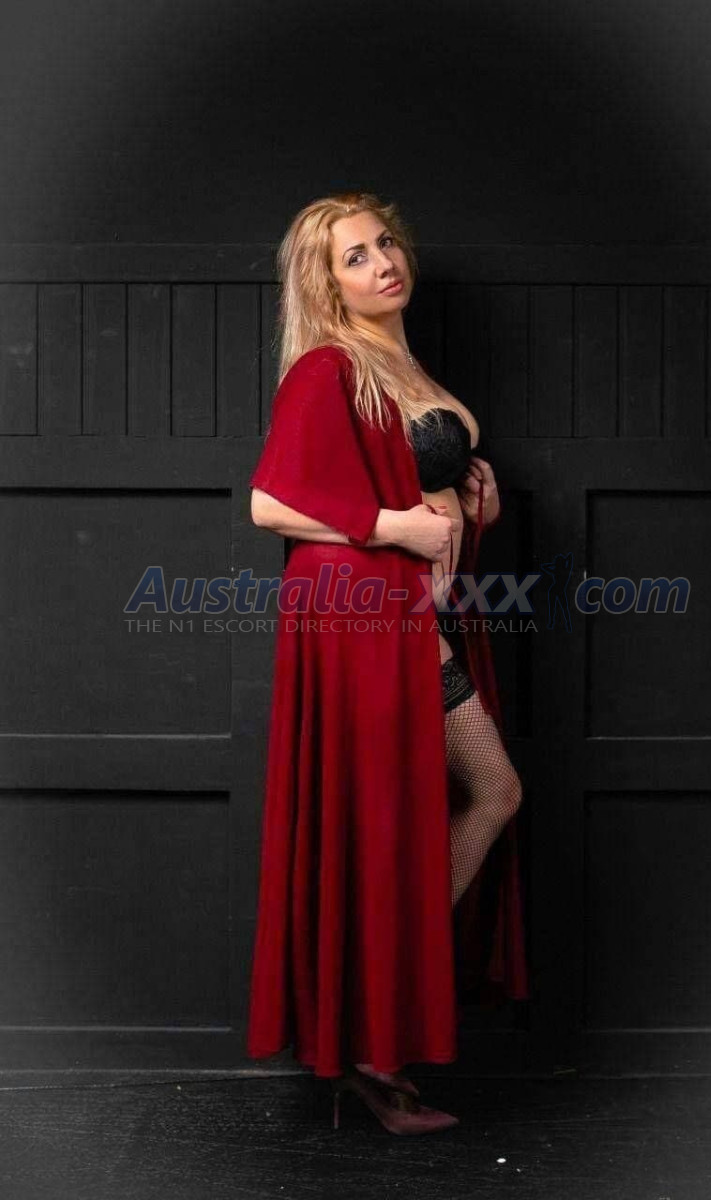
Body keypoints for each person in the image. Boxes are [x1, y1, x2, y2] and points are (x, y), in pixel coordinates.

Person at [246, 191, 530, 1134]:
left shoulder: (396, 363)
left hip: (415, 622)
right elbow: (269, 504)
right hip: (363, 624)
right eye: (355, 258)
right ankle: (369, 1040)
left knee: (485, 795)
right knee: (399, 818)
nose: (382, 264)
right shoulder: (328, 367)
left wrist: (467, 500)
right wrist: (392, 527)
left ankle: (380, 1013)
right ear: (327, 285)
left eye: (383, 244)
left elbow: (411, 478)